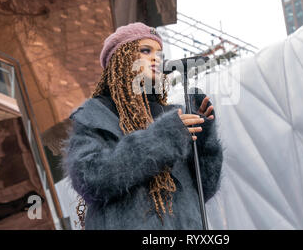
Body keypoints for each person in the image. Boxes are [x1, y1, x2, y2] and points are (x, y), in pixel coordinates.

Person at [61, 22, 223, 230]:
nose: (156, 58)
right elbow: (91, 180)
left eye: (159, 53)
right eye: (145, 50)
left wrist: (204, 138)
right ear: (121, 58)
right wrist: (164, 137)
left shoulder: (172, 115)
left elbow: (204, 189)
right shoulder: (95, 117)